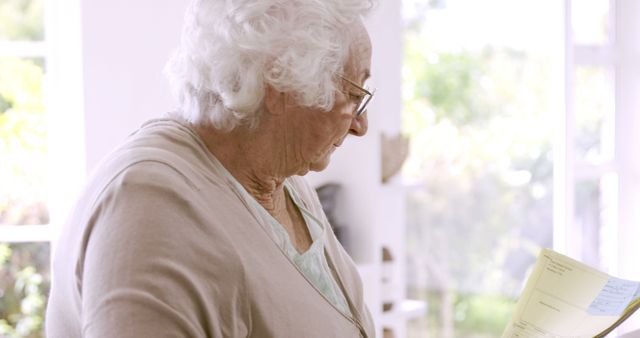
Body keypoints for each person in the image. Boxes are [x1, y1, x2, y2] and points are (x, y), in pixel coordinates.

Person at [45, 0, 376, 337]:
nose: (361, 125)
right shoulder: (149, 207)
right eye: (353, 95)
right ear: (280, 82)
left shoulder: (287, 182)